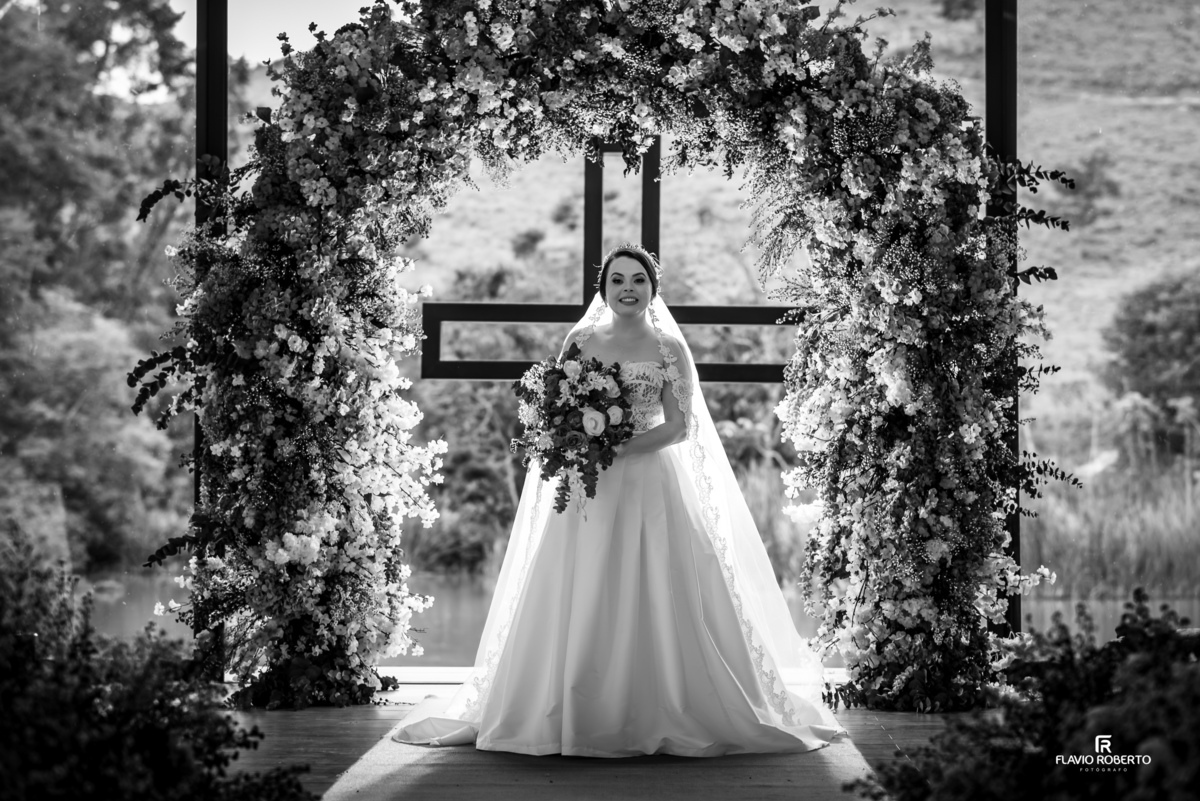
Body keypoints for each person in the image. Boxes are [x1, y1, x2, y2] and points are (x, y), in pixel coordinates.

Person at [392, 244, 844, 757]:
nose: (627, 289)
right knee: (579, 581)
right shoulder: (581, 339)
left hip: (650, 479)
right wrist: (577, 440)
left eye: (638, 280)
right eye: (617, 281)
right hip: (589, 485)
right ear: (603, 289)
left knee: (657, 581)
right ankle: (568, 705)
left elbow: (680, 425)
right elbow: (557, 404)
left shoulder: (669, 346)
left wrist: (619, 447)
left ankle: (666, 703)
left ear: (653, 288)